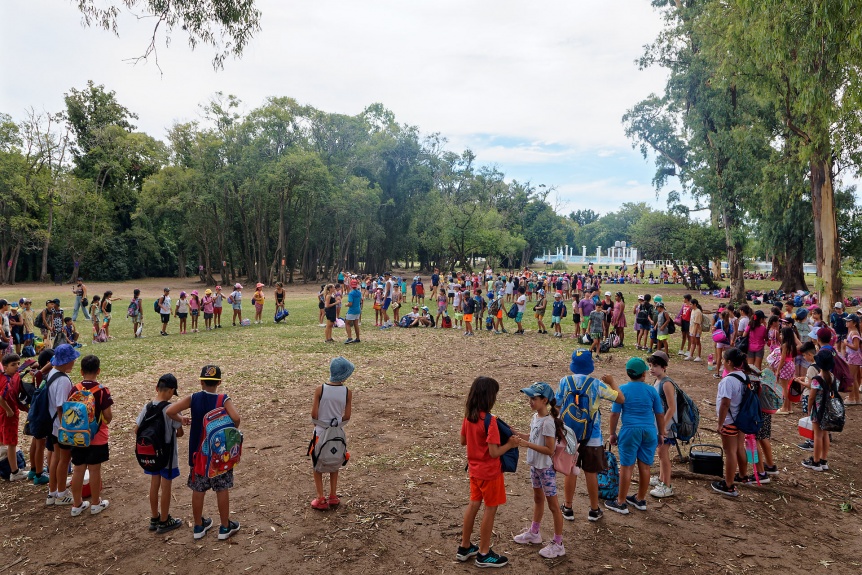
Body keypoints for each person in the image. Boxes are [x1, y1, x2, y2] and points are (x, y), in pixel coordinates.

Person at [166, 365, 241, 541]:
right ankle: (224, 527)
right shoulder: (223, 399)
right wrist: (229, 432)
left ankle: (199, 526)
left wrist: (182, 419)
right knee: (221, 488)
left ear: (201, 382)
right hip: (218, 455)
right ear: (219, 382)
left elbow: (170, 411)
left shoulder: (194, 398)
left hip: (198, 454)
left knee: (198, 489)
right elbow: (236, 418)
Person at [556, 349, 624, 522]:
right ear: (590, 366)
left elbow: (556, 405)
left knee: (570, 471)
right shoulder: (596, 384)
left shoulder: (565, 381)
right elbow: (620, 399)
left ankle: (568, 507)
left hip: (569, 436)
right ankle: (594, 510)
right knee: (591, 472)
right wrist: (612, 382)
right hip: (592, 437)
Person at [458, 376, 518, 567]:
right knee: (490, 510)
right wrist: (510, 444)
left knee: (473, 505)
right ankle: (484, 553)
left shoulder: (469, 417)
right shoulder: (489, 421)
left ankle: (465, 546)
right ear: (489, 397)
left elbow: (463, 441)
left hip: (474, 472)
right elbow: (494, 453)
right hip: (491, 474)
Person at [512, 382, 566, 559]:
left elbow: (550, 450)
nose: (530, 401)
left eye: (534, 398)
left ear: (544, 400)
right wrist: (519, 434)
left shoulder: (549, 422)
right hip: (535, 466)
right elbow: (534, 437)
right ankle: (534, 533)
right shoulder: (536, 417)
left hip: (546, 469)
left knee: (553, 505)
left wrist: (527, 444)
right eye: (529, 398)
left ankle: (558, 543)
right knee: (537, 498)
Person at [606, 358, 663, 514]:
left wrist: (612, 433)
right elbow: (659, 413)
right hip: (649, 431)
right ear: (644, 374)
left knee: (626, 467)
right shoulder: (651, 390)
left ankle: (621, 501)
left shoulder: (622, 390)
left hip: (630, 431)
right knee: (645, 466)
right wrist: (661, 434)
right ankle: (640, 499)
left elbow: (614, 414)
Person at [135, 373, 186, 533]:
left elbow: (136, 430)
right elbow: (179, 433)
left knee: (154, 484)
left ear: (157, 388)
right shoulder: (171, 410)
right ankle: (165, 520)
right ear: (172, 391)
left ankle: (154, 517)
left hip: (151, 454)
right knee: (166, 487)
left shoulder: (147, 407)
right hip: (167, 456)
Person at [69, 354, 112, 516]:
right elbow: (108, 416)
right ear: (98, 371)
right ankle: (95, 503)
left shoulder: (75, 389)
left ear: (81, 371)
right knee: (94, 470)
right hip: (97, 437)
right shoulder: (102, 391)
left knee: (78, 469)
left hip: (77, 436)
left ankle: (77, 504)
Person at [310, 356, 354, 510]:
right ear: (345, 375)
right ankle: (333, 496)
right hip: (337, 434)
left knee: (317, 464)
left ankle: (320, 498)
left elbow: (314, 415)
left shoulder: (320, 389)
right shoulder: (347, 392)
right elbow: (347, 416)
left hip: (320, 433)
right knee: (335, 462)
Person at [46, 344, 80, 506]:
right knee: (64, 460)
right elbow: (61, 405)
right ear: (66, 361)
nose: (74, 362)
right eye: (72, 360)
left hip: (53, 425)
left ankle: (52, 492)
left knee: (56, 458)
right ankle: (62, 493)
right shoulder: (63, 380)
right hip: (62, 426)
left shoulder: (52, 372)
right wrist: (65, 427)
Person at [711, 348, 748, 497]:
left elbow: (725, 403)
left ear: (729, 362)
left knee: (730, 452)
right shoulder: (744, 377)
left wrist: (720, 424)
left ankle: (729, 485)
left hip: (729, 421)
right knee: (739, 447)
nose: (723, 363)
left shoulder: (728, 381)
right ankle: (743, 476)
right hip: (741, 420)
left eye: (724, 360)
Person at [647, 351, 676, 498]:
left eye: (655, 366)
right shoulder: (657, 381)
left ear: (664, 367)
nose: (651, 369)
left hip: (666, 426)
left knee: (663, 453)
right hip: (660, 425)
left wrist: (662, 426)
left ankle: (667, 485)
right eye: (650, 365)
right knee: (660, 453)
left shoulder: (667, 383)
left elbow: (672, 407)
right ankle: (661, 479)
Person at [802, 349, 835, 472]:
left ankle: (815, 461)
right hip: (828, 410)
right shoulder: (832, 377)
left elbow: (811, 397)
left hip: (818, 410)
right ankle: (823, 460)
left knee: (817, 435)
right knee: (825, 434)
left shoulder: (817, 379)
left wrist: (809, 409)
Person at [26, 349, 53, 485]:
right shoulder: (44, 376)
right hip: (41, 414)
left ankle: (33, 469)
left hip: (34, 412)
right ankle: (38, 475)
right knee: (40, 445)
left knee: (35, 443)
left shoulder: (37, 374)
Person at [0, 354, 26, 480]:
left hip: (2, 415)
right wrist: (9, 411)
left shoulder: (4, 377)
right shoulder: (7, 381)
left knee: (4, 441)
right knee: (11, 443)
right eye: (13, 365)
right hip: (8, 417)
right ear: (5, 367)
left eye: (17, 363)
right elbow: (1, 398)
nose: (16, 367)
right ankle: (15, 472)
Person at [344, 279, 362, 344]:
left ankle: (349, 338)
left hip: (352, 310)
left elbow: (350, 303)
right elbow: (360, 300)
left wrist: (346, 305)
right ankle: (357, 338)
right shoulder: (359, 292)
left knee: (347, 323)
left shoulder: (351, 293)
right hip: (358, 309)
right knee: (356, 324)